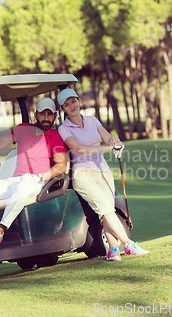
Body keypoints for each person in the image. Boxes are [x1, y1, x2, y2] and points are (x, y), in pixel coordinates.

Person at [57, 88, 148, 261]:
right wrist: (107, 148)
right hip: (82, 173)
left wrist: (114, 141)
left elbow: (107, 137)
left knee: (108, 210)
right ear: (64, 109)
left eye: (73, 101)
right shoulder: (64, 128)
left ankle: (113, 249)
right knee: (105, 209)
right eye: (67, 105)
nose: (71, 106)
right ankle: (128, 244)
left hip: (103, 171)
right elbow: (78, 149)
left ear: (78, 100)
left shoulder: (92, 120)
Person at [0, 97, 68, 252]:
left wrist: (40, 176)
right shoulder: (22, 129)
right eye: (43, 114)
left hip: (36, 181)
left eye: (50, 114)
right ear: (36, 115)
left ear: (54, 116)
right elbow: (1, 142)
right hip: (14, 181)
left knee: (25, 184)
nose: (46, 118)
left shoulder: (54, 137)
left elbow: (62, 166)